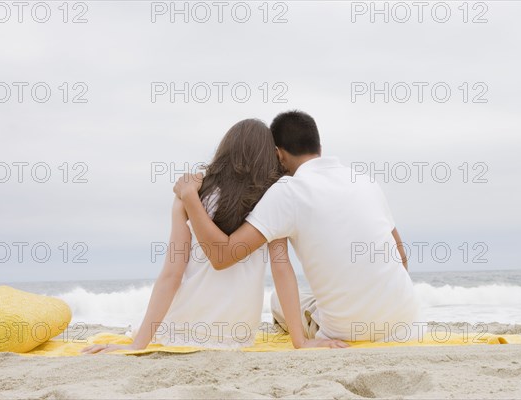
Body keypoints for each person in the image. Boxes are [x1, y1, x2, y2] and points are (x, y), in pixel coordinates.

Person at [82, 118, 343, 354]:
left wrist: (137, 345)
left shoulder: (193, 195)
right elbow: (282, 269)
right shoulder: (271, 200)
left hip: (183, 329)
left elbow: (171, 276)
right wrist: (300, 341)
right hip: (237, 335)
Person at [174, 110, 423, 348]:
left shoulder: (286, 192)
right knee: (313, 298)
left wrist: (189, 196)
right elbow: (400, 254)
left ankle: (303, 333)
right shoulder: (365, 181)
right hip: (407, 321)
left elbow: (223, 256)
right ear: (320, 148)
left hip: (345, 332)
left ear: (278, 155)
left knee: (277, 303)